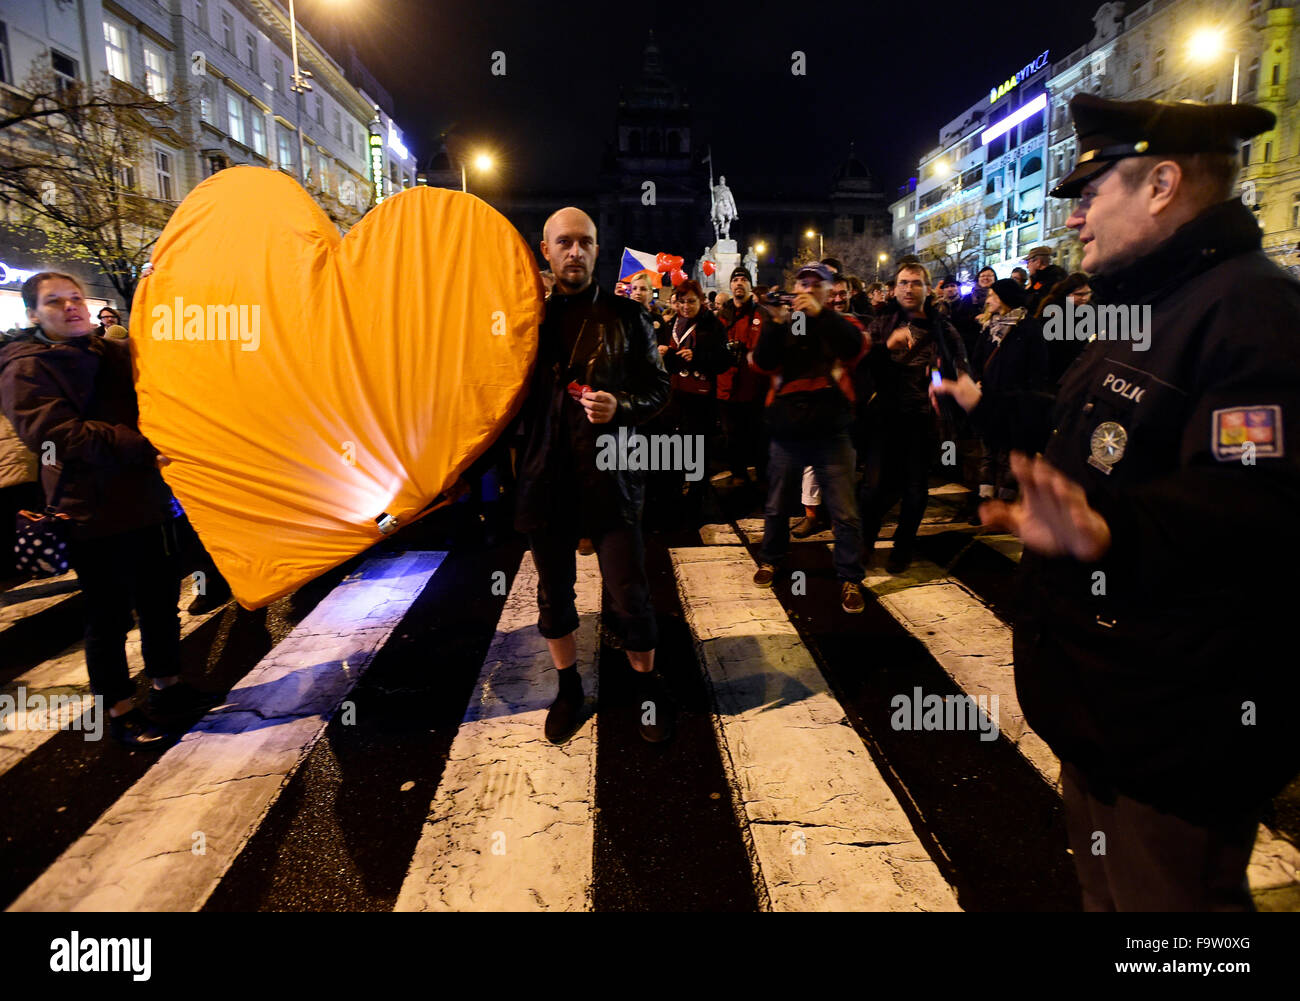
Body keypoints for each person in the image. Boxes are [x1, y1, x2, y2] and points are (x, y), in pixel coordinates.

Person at [934, 94, 1300, 911]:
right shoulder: (1148, 301)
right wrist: (985, 406)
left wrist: (1110, 528)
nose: (1075, 221)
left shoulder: (1251, 309)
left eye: (1091, 194)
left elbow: (1260, 499)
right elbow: (1088, 427)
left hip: (1180, 728)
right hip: (1106, 705)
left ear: (1163, 183)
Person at [0, 272, 221, 748]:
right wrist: (143, 448)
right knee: (109, 618)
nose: (71, 307)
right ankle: (119, 710)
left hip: (150, 503)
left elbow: (169, 368)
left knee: (162, 605)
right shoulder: (25, 369)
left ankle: (169, 687)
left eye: (76, 297)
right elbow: (58, 436)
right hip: (91, 514)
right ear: (34, 315)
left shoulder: (111, 352)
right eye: (55, 302)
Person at [515, 207, 673, 745]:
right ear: (546, 250)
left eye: (585, 242)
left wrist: (621, 405)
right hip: (546, 478)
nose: (575, 252)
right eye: (564, 242)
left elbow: (659, 388)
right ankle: (568, 688)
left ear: (598, 250)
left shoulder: (628, 318)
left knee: (630, 592)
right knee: (554, 593)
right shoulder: (523, 321)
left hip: (612, 478)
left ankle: (646, 686)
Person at [751, 263, 867, 614]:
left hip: (831, 430)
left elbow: (852, 350)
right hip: (788, 429)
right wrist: (772, 322)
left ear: (831, 291)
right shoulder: (789, 323)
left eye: (816, 284)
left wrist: (822, 315)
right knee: (776, 505)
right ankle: (771, 558)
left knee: (845, 512)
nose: (807, 289)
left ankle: (849, 576)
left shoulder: (842, 322)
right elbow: (764, 363)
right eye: (803, 283)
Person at [859, 261, 971, 573]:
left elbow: (961, 369)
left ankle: (902, 546)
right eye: (904, 282)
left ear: (927, 288)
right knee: (873, 487)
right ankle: (865, 539)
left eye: (916, 283)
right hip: (885, 418)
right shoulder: (881, 324)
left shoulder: (944, 329)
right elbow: (862, 364)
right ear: (894, 288)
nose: (909, 288)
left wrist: (950, 386)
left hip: (924, 419)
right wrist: (886, 346)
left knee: (915, 490)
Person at [968, 277, 1047, 503]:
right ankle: (984, 500)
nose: (989, 299)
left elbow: (1038, 367)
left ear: (1005, 299)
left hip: (1015, 401)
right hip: (990, 398)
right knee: (988, 452)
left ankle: (1005, 503)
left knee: (1010, 454)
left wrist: (1026, 397)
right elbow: (976, 359)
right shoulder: (989, 326)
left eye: (993, 295)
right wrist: (978, 380)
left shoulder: (1029, 327)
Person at [659, 279, 729, 518]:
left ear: (701, 301)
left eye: (691, 301)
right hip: (675, 396)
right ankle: (676, 501)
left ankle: (698, 504)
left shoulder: (713, 325)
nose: (686, 306)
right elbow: (668, 363)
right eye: (682, 302)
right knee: (675, 451)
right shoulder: (672, 324)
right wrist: (664, 354)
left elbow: (723, 360)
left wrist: (697, 356)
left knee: (698, 453)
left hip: (701, 399)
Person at [716, 267, 771, 490]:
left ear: (750, 285)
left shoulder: (763, 314)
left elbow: (794, 335)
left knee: (759, 435)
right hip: (726, 388)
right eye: (735, 280)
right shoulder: (720, 317)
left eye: (743, 280)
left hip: (755, 388)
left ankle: (763, 474)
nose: (739, 283)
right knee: (732, 436)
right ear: (730, 286)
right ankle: (738, 473)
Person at [1033, 271, 1093, 385]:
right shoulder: (1054, 310)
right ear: (1068, 294)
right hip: (1056, 367)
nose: (1085, 298)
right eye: (1079, 294)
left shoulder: (1090, 308)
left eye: (1088, 293)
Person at [1023, 246, 1068, 314]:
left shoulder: (1052, 279)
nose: (1027, 266)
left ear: (1038, 262)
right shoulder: (1040, 279)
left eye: (1028, 262)